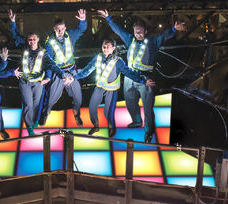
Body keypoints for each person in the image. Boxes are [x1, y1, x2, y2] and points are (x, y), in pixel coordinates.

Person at [96, 10, 186, 143]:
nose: (137, 34)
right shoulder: (130, 40)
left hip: (146, 79)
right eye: (135, 31)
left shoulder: (152, 42)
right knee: (130, 101)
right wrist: (108, 18)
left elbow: (164, 36)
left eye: (140, 31)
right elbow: (119, 31)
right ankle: (137, 121)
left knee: (148, 107)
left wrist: (174, 29)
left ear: (145, 32)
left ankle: (149, 131)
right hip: (130, 77)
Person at [74, 38, 155, 138]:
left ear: (113, 48)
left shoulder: (118, 61)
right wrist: (74, 77)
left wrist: (143, 81)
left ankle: (112, 127)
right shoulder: (98, 57)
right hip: (99, 87)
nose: (105, 49)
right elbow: (87, 70)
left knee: (108, 113)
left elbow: (129, 73)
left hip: (111, 91)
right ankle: (96, 126)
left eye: (108, 47)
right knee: (92, 108)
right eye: (104, 46)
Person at [7, 9, 52, 136]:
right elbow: (15, 35)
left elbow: (48, 65)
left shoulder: (43, 51)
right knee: (28, 104)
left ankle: (36, 119)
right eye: (29, 39)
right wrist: (12, 22)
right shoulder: (23, 47)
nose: (31, 41)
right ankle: (29, 127)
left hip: (38, 81)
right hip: (25, 81)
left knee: (37, 103)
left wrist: (47, 78)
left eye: (33, 39)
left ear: (37, 39)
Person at [41, 9, 87, 125]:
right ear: (54, 29)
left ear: (65, 28)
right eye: (58, 29)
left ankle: (77, 114)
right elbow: (49, 62)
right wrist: (48, 77)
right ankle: (45, 113)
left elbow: (82, 29)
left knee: (78, 98)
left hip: (71, 72)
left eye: (62, 29)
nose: (60, 31)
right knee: (51, 97)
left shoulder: (70, 35)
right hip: (58, 74)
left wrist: (83, 20)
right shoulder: (49, 43)